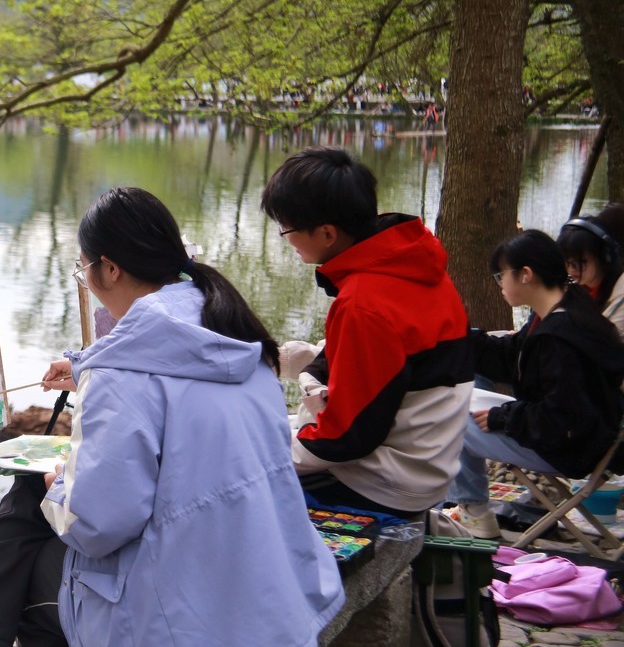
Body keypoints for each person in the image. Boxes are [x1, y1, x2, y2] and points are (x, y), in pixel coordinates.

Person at [0, 187, 345, 647]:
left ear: (110, 269)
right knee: (39, 520)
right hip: (267, 588)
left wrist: (59, 482)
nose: (86, 282)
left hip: (195, 625)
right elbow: (170, 374)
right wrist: (84, 369)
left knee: (33, 571)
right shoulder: (235, 336)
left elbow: (96, 524)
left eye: (83, 270)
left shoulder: (121, 377)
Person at [260, 146, 474, 517]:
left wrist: (266, 453)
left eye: (287, 229)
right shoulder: (416, 266)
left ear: (327, 233)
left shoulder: (364, 302)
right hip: (430, 465)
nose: (286, 239)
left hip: (387, 482)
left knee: (238, 484)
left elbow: (346, 437)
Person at [447, 230, 624, 538]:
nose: (501, 284)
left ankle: (474, 512)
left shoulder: (560, 338)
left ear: (525, 275)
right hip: (582, 437)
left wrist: (505, 416)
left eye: (502, 275)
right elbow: (509, 356)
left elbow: (563, 418)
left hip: (571, 449)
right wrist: (458, 335)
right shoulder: (563, 312)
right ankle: (472, 508)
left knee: (451, 417)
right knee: (465, 388)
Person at [557, 207, 624, 337]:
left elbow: (602, 343)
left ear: (604, 256)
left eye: (578, 263)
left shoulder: (621, 294)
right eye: (566, 263)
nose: (570, 270)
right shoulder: (580, 288)